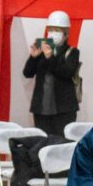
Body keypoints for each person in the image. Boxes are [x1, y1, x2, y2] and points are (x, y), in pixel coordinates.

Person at [22, 11, 82, 139]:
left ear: (66, 33)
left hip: (63, 109)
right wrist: (33, 57)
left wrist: (50, 57)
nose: (53, 33)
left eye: (57, 30)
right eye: (50, 29)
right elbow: (27, 73)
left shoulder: (72, 52)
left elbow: (66, 73)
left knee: (61, 142)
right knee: (42, 142)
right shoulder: (42, 50)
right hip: (41, 109)